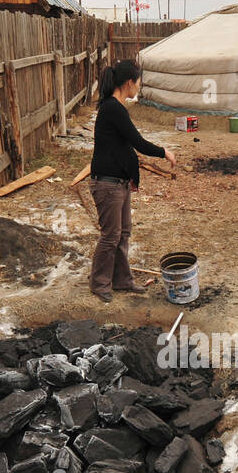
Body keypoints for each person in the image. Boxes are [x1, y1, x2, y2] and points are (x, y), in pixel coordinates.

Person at [88, 60, 175, 303]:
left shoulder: (114, 108)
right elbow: (137, 142)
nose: (138, 87)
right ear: (129, 83)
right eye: (137, 82)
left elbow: (122, 146)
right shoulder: (113, 108)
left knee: (123, 232)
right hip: (107, 184)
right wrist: (163, 151)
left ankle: (122, 280)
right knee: (110, 235)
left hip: (119, 182)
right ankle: (99, 283)